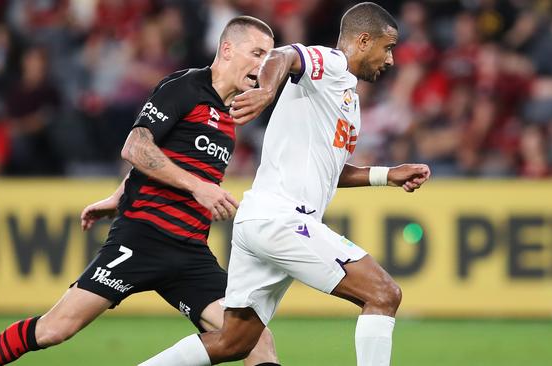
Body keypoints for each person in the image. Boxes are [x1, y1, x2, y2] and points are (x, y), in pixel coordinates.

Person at [0, 16, 280, 366]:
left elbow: (160, 156)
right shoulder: (184, 87)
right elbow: (136, 147)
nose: (264, 64)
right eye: (257, 52)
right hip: (141, 238)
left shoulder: (232, 114)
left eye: (269, 56)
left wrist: (117, 196)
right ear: (227, 49)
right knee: (55, 329)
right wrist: (197, 186)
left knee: (256, 340)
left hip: (190, 252)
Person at [138, 3, 431, 366]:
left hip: (259, 220)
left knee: (234, 343)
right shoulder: (332, 63)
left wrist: (386, 175)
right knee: (384, 293)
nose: (390, 60)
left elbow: (329, 169)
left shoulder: (345, 99)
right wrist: (264, 90)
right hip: (282, 219)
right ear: (364, 40)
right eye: (387, 48)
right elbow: (284, 54)